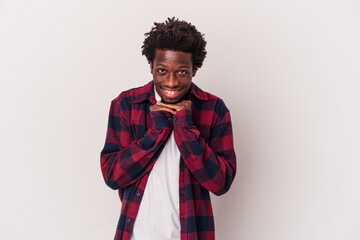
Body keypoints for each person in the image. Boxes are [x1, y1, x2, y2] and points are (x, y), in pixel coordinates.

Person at [100, 17, 237, 240]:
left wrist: (185, 128)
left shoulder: (214, 109)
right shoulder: (125, 105)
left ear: (195, 68)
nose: (171, 82)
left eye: (182, 72)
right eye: (162, 70)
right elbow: (113, 176)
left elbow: (220, 183)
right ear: (151, 66)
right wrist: (157, 132)